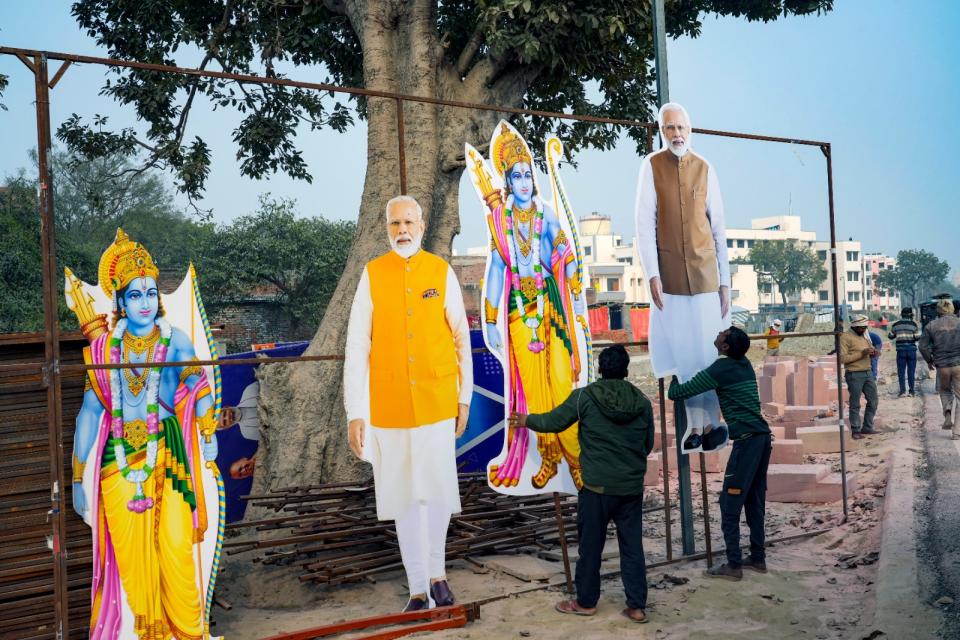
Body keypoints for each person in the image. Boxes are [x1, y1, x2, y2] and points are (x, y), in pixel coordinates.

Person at [66, 229, 221, 640]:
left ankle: (191, 634)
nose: (145, 303)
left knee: (175, 550)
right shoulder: (102, 353)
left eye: (152, 293)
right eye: (135, 295)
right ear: (118, 301)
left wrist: (208, 430)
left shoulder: (176, 342)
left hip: (168, 455)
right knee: (131, 567)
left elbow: (199, 388)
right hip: (117, 465)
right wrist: (78, 477)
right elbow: (88, 414)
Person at [344, 195, 472, 612]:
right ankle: (417, 588)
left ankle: (438, 576)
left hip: (437, 401)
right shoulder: (372, 274)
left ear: (421, 225)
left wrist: (464, 398)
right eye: (395, 223)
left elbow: (460, 339)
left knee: (434, 493)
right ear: (386, 228)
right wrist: (355, 412)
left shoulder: (440, 271)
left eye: (409, 222)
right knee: (402, 497)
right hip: (389, 405)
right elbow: (357, 345)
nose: (402, 230)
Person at [510, 345, 654, 623]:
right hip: (630, 488)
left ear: (600, 368)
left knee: (590, 548)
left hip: (596, 489)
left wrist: (526, 420)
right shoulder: (642, 402)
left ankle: (586, 602)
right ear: (626, 370)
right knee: (632, 548)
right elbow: (646, 445)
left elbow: (554, 421)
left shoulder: (584, 398)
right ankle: (636, 606)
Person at [478, 122, 585, 490]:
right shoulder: (500, 222)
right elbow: (496, 268)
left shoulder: (547, 214)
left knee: (560, 385)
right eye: (516, 176)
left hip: (550, 307)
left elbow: (564, 249)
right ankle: (550, 459)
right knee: (536, 394)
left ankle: (577, 460)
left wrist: (572, 274)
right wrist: (490, 317)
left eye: (528, 175)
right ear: (507, 181)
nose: (523, 182)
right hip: (518, 313)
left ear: (534, 179)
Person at [635, 102, 732, 452]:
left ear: (690, 129)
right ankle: (697, 426)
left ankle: (712, 424)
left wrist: (725, 283)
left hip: (706, 275)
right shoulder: (652, 166)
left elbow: (719, 229)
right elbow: (644, 226)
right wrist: (651, 275)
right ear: (662, 131)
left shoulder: (705, 168)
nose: (676, 134)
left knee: (707, 353)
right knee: (685, 354)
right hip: (671, 277)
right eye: (669, 128)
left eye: (681, 128)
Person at [668, 327, 772, 581]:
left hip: (746, 442)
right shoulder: (744, 362)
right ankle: (758, 557)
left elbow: (676, 393)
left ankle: (734, 565)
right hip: (761, 438)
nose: (718, 333)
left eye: (723, 333)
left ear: (725, 347)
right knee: (754, 501)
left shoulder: (720, 369)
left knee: (730, 504)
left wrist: (674, 370)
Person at [919, 298, 960, 437]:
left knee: (945, 391)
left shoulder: (931, 325)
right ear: (953, 309)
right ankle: (957, 432)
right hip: (958, 365)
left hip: (942, 366)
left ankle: (947, 412)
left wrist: (929, 360)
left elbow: (922, 346)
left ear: (938, 310)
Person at [840, 314, 879, 439]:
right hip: (854, 373)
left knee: (873, 401)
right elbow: (843, 359)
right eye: (861, 327)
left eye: (865, 327)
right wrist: (861, 354)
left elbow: (869, 351)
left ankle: (867, 427)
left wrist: (874, 353)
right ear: (855, 326)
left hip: (868, 372)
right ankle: (856, 430)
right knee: (855, 403)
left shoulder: (865, 336)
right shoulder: (845, 338)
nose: (863, 329)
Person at [888, 308, 920, 396]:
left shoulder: (896, 325)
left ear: (901, 314)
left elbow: (890, 336)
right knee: (911, 372)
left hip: (901, 351)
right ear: (910, 315)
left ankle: (902, 391)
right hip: (911, 351)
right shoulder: (914, 324)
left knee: (901, 371)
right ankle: (911, 391)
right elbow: (917, 337)